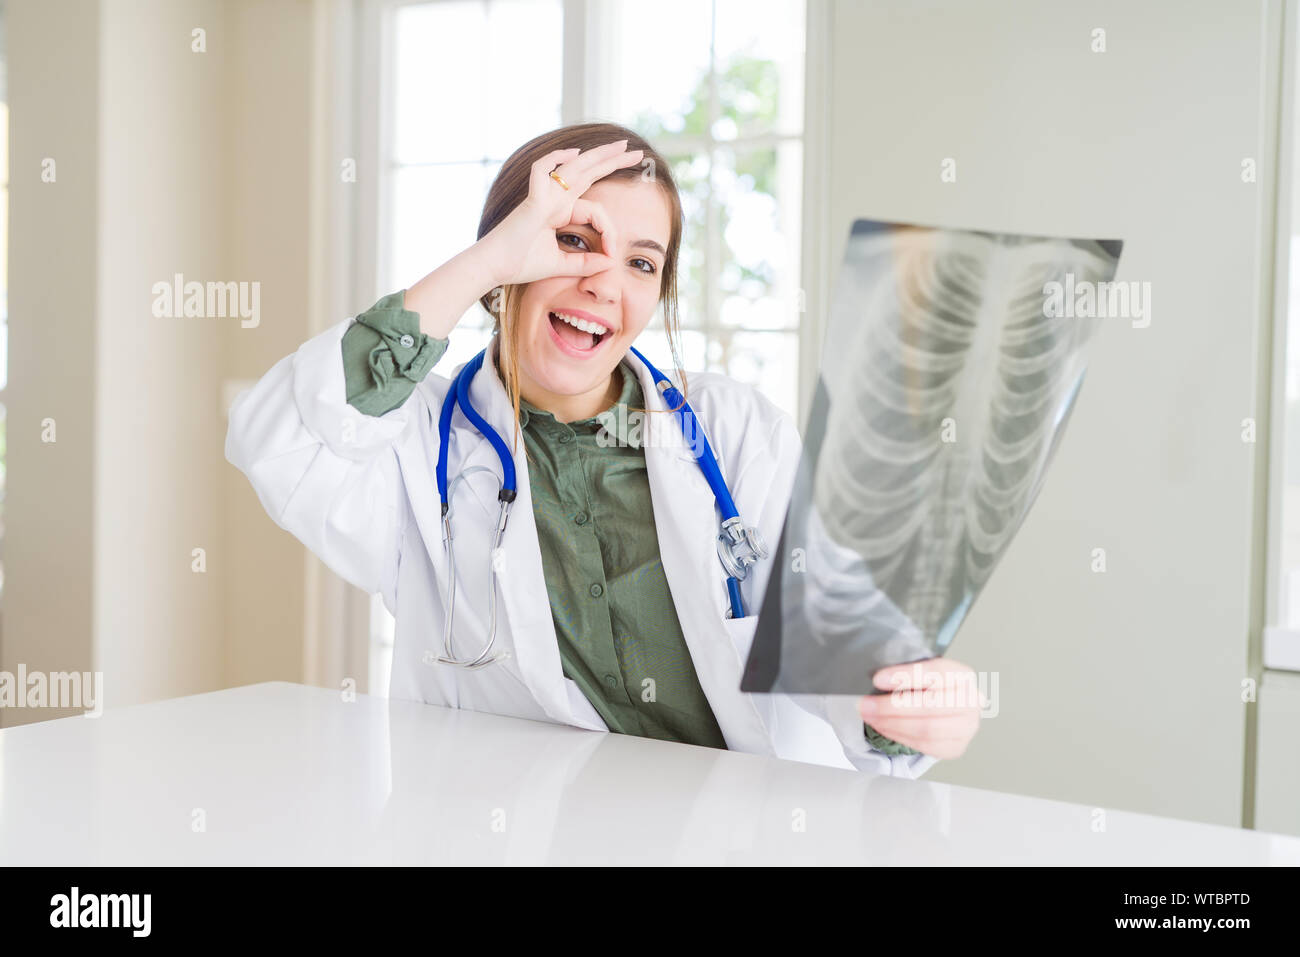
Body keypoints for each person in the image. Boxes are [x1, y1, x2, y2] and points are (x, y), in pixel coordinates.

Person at [225, 121, 981, 776]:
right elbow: (281, 438)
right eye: (572, 241)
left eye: (641, 262)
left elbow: (830, 623)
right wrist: (483, 262)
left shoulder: (732, 431)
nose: (603, 282)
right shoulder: (419, 444)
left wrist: (907, 704)